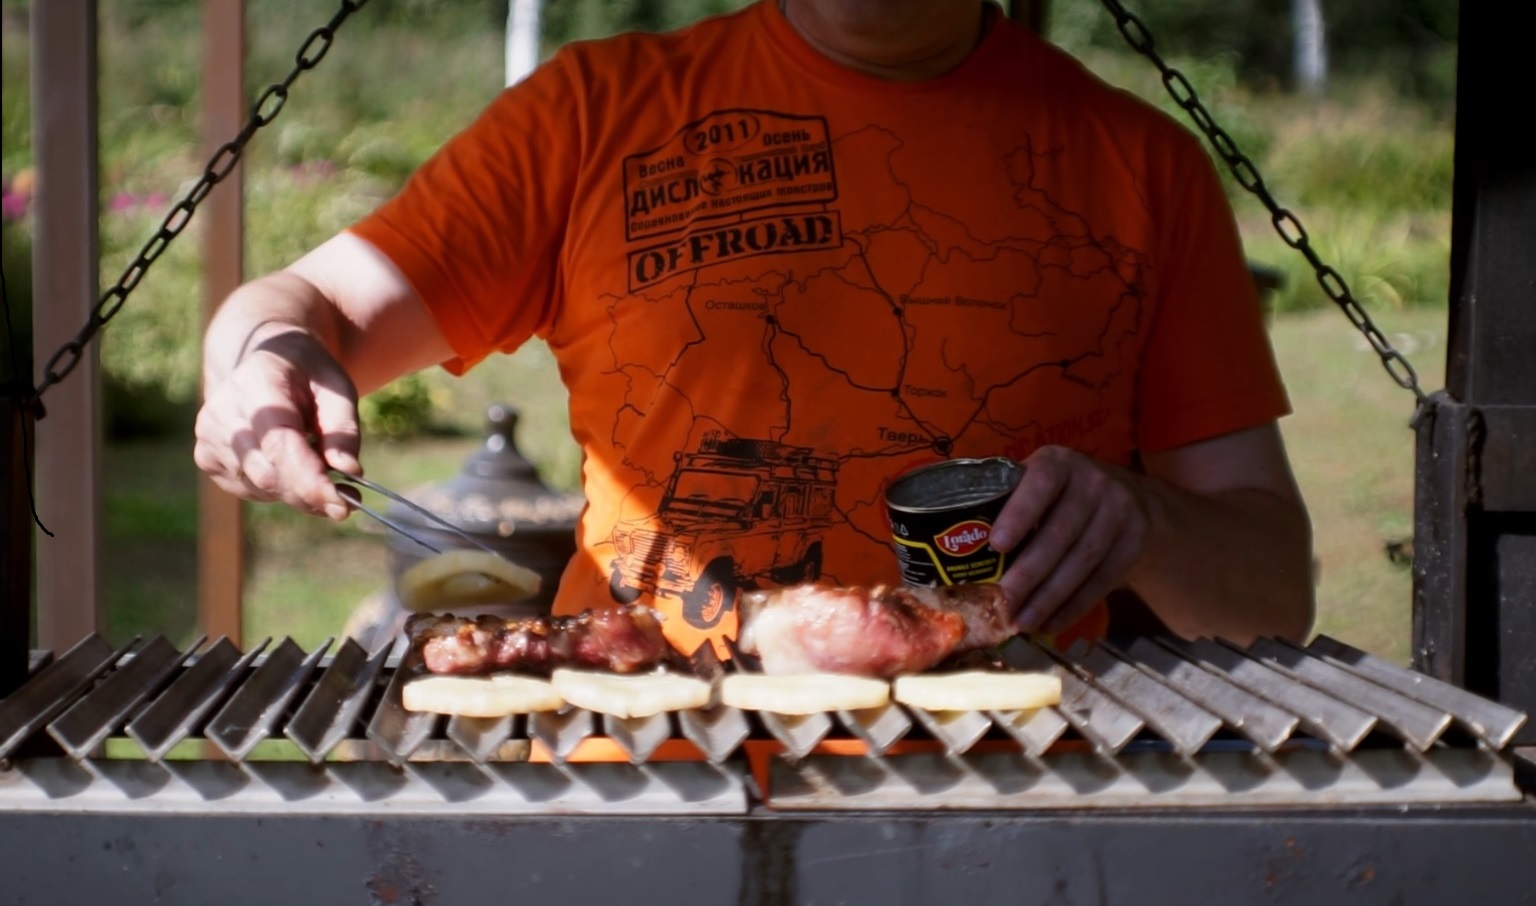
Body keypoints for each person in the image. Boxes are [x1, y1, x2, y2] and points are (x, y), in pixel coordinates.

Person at [194, 0, 1315, 658]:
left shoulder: (1143, 167)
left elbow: (1270, 594)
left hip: (1014, 810)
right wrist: (258, 366)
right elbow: (311, 307)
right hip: (634, 784)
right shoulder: (594, 115)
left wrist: (1148, 521)